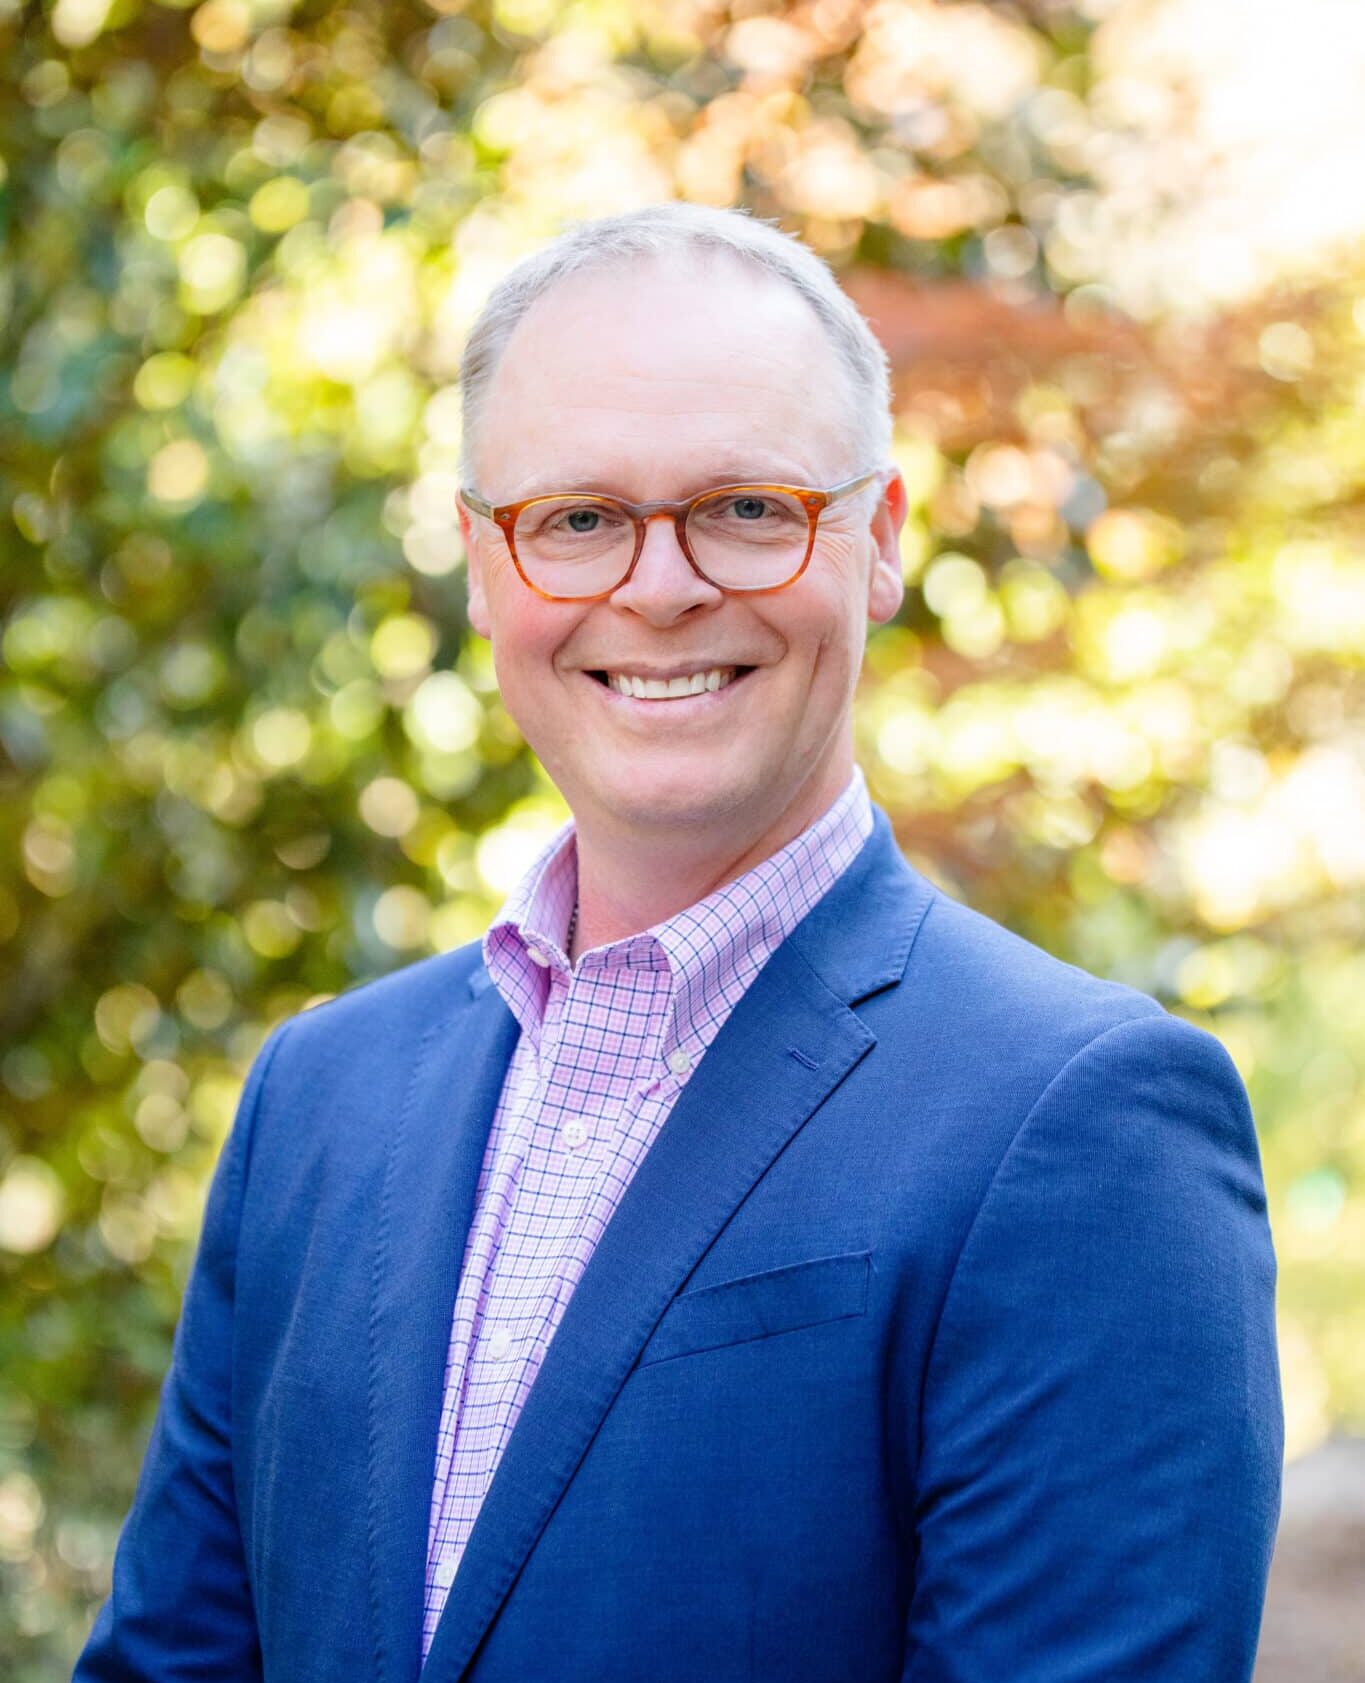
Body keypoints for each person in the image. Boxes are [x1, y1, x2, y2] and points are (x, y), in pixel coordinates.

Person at [75, 203, 1282, 1683]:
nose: (658, 589)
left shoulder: (1087, 1123)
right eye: (576, 519)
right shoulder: (316, 1103)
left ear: (879, 541)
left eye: (746, 509)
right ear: (480, 563)